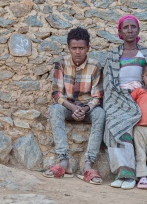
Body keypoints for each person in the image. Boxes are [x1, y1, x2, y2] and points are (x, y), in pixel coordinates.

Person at [43, 27, 105, 185]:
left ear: (88, 48)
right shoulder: (61, 64)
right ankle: (64, 162)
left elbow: (97, 96)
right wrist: (72, 108)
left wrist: (84, 109)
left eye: (81, 48)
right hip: (69, 107)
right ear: (69, 48)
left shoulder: (95, 66)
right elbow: (56, 93)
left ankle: (88, 165)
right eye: (74, 48)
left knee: (100, 114)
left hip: (87, 109)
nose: (78, 52)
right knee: (55, 109)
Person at [103, 14, 147, 190]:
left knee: (131, 121)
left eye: (133, 27)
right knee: (113, 123)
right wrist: (121, 97)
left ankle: (134, 176)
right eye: (125, 27)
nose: (129, 30)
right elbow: (108, 82)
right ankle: (124, 173)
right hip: (118, 98)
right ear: (119, 32)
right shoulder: (113, 54)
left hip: (141, 98)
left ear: (138, 30)